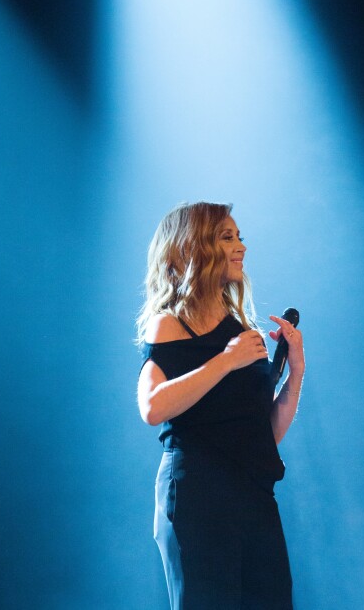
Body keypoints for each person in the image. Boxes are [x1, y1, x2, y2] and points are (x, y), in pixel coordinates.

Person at [136, 201, 305, 610]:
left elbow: (264, 435)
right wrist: (226, 361)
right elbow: (153, 407)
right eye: (227, 237)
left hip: (253, 493)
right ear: (194, 247)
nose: (241, 246)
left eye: (239, 236)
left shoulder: (240, 330)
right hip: (198, 495)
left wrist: (294, 373)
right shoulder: (170, 322)